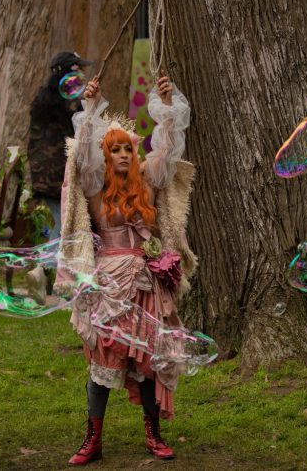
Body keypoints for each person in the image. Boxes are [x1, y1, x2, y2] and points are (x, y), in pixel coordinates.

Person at [55, 74, 197, 465]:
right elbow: (81, 156)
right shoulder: (96, 190)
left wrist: (166, 108)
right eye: (114, 149)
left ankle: (154, 434)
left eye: (126, 150)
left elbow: (167, 150)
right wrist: (90, 107)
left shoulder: (148, 185)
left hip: (146, 282)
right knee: (104, 359)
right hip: (107, 284)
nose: (121, 155)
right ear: (105, 155)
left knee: (149, 360)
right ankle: (92, 438)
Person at [28, 50, 93, 240]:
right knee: (63, 223)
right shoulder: (68, 102)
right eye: (78, 69)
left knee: (60, 220)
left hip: (43, 174)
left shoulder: (44, 98)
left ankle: (51, 266)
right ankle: (53, 266)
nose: (82, 74)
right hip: (59, 174)